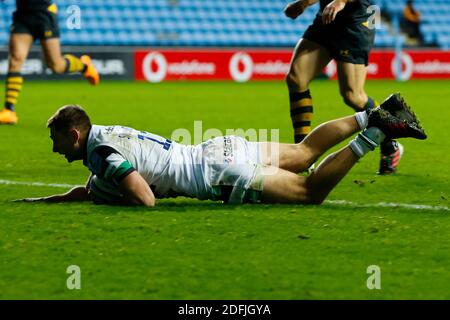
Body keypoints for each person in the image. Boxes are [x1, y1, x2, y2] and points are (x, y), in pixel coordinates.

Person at [18, 93, 426, 206]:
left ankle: (374, 133)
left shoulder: (104, 157)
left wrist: (126, 193)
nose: (53, 149)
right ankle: (374, 113)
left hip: (216, 173)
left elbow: (144, 198)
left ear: (74, 136)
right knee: (303, 153)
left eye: (55, 139)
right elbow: (89, 189)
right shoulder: (104, 137)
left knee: (308, 191)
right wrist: (45, 199)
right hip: (217, 147)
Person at [284, 0, 404, 175]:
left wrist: (341, 1)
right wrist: (303, 3)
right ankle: (302, 155)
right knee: (296, 78)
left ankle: (390, 143)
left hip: (358, 18)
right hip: (329, 17)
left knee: (353, 95)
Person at [0, 0, 100, 125]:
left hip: (44, 13)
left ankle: (84, 66)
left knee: (56, 65)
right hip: (23, 15)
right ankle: (9, 110)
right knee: (15, 59)